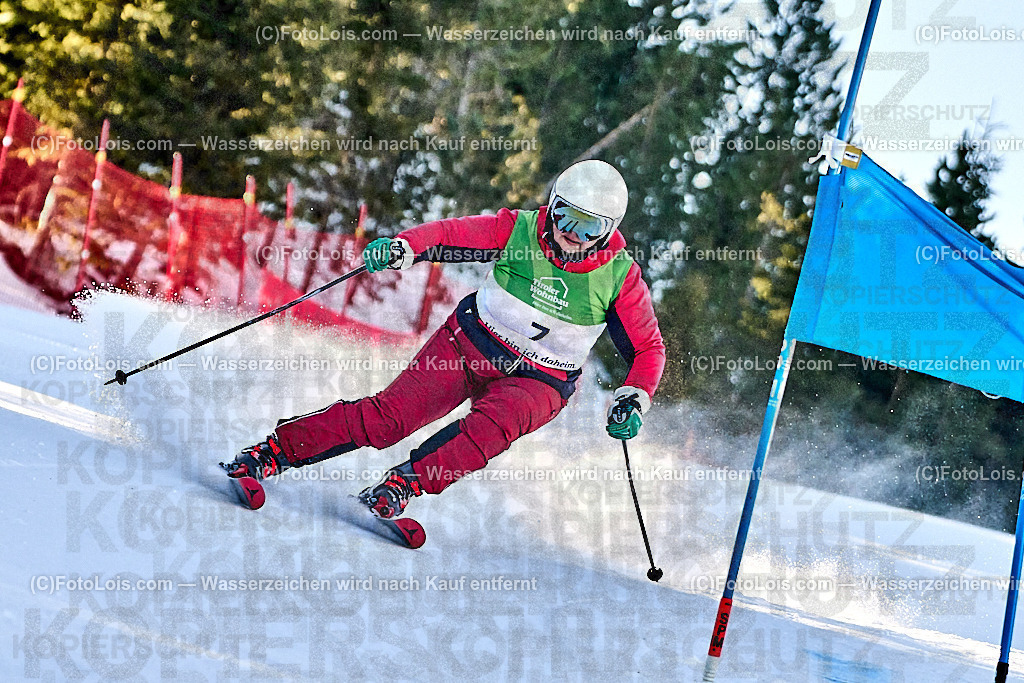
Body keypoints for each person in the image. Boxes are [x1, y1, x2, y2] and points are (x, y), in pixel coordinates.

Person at [221, 159, 665, 518]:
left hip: (539, 380)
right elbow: (452, 235)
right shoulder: (521, 230)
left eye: (590, 229)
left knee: (485, 433)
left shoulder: (620, 277)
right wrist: (403, 247)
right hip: (469, 343)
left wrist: (635, 396)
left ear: (609, 231)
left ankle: (405, 483)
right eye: (565, 215)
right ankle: (272, 452)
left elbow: (648, 349)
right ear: (551, 206)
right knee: (389, 419)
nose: (573, 233)